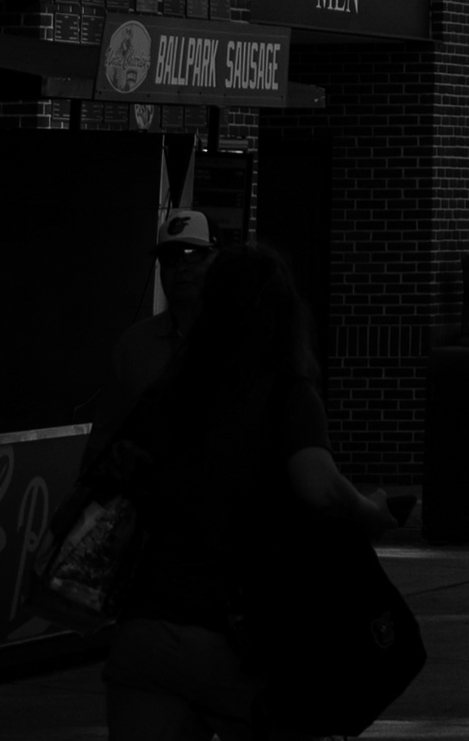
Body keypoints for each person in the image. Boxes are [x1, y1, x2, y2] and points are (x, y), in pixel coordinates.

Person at [96, 242, 398, 741]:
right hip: (237, 636)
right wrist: (370, 511)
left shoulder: (165, 396)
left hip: (146, 631)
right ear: (284, 316)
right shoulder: (286, 395)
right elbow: (318, 486)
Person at [107, 208, 218, 427]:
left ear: (220, 260)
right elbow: (106, 435)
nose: (181, 267)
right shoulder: (133, 346)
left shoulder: (245, 341)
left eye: (192, 253)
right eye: (169, 257)